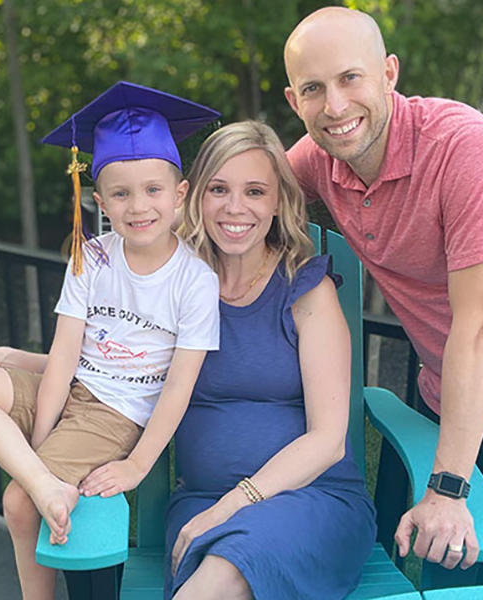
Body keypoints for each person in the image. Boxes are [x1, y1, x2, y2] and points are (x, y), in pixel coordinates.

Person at [0, 81, 221, 600]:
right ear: (99, 199)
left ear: (180, 194)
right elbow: (66, 354)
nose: (138, 206)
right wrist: (40, 439)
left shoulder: (194, 280)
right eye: (121, 193)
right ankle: (44, 482)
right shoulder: (93, 257)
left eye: (154, 190)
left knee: (18, 502)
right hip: (66, 392)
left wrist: (138, 463)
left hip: (115, 414)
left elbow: (178, 387)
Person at [284, 6, 483, 574]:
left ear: (389, 73)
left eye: (350, 78)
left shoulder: (464, 149)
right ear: (295, 102)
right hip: (446, 395)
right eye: (314, 88)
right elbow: (237, 202)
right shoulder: (320, 160)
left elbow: (480, 324)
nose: (335, 106)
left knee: (482, 576)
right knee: (392, 557)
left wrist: (447, 487)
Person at [164, 120, 376, 599]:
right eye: (219, 188)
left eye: (255, 191)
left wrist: (233, 505)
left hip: (311, 499)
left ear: (278, 202)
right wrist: (23, 361)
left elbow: (327, 441)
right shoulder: (176, 286)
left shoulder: (305, 290)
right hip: (201, 501)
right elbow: (112, 364)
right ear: (196, 196)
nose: (235, 207)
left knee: (224, 576)